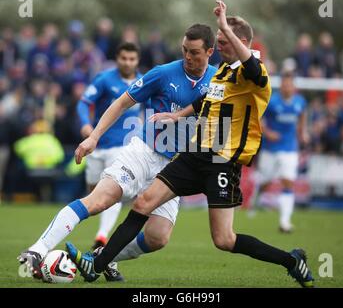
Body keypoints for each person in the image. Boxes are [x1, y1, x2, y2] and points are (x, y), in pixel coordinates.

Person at [67, 0, 314, 288]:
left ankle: (292, 261)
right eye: (219, 40)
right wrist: (177, 115)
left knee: (224, 240)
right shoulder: (223, 72)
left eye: (224, 40)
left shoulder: (255, 74)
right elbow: (204, 100)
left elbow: (251, 65)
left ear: (242, 41)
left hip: (223, 162)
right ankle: (96, 264)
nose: (219, 45)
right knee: (144, 201)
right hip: (195, 153)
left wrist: (224, 25)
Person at [18, 24, 217, 282]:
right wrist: (93, 136)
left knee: (158, 238)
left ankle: (104, 256)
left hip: (176, 167)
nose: (188, 57)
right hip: (144, 153)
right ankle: (37, 250)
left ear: (210, 51)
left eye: (194, 52)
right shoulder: (163, 73)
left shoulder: (219, 82)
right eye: (184, 50)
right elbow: (123, 102)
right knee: (99, 200)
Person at [77, 42, 142, 251]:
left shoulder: (144, 82)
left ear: (137, 60)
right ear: (117, 58)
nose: (128, 62)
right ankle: (98, 229)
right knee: (93, 193)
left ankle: (102, 237)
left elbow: (153, 110)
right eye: (124, 58)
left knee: (113, 190)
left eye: (132, 59)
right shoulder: (105, 79)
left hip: (122, 147)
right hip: (97, 146)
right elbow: (84, 102)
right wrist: (86, 125)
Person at [250, 73, 308, 233]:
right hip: (270, 149)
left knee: (288, 182)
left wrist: (303, 133)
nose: (287, 87)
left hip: (290, 148)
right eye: (284, 84)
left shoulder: (300, 101)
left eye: (289, 84)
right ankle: (255, 201)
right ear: (281, 85)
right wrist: (267, 133)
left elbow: (303, 115)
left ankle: (284, 222)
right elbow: (258, 118)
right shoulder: (273, 101)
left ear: (293, 87)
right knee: (266, 183)